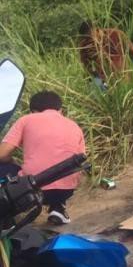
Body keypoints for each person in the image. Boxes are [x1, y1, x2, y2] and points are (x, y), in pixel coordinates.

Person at [0, 91, 85, 225]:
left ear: (33, 111)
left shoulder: (26, 119)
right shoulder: (74, 125)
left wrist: (12, 162)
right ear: (60, 110)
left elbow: (2, 154)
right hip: (67, 189)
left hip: (33, 188)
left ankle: (5, 214)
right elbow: (79, 161)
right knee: (58, 164)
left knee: (3, 167)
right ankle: (58, 208)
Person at [78, 21, 133, 88]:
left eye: (90, 36)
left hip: (123, 81)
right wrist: (101, 86)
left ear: (96, 29)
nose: (90, 40)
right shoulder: (85, 45)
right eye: (86, 38)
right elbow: (88, 71)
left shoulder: (116, 34)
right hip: (104, 85)